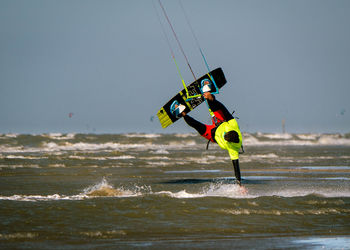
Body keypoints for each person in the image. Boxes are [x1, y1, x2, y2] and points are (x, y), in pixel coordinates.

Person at [171, 79, 244, 187]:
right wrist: (213, 100)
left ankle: (182, 113)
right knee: (215, 106)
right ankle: (208, 93)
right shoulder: (233, 125)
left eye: (225, 138)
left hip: (213, 134)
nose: (224, 136)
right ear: (231, 131)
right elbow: (223, 109)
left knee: (196, 126)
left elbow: (236, 167)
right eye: (226, 135)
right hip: (221, 122)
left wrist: (240, 185)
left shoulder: (233, 149)